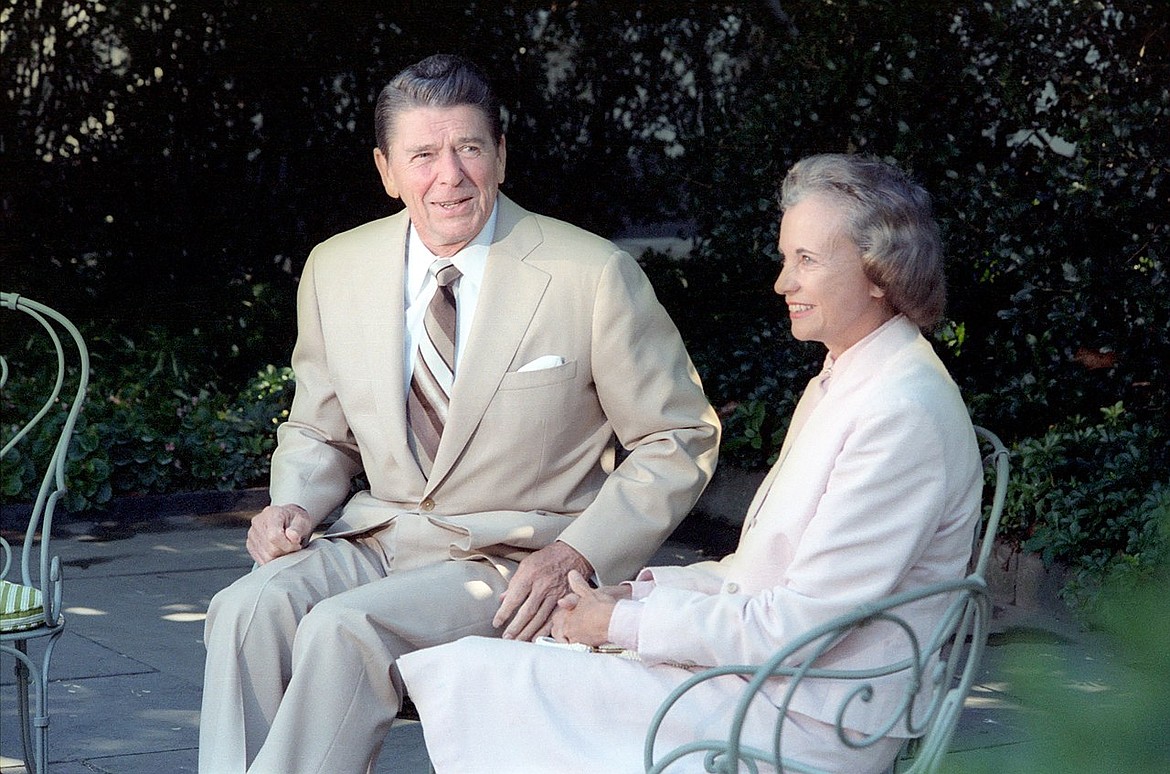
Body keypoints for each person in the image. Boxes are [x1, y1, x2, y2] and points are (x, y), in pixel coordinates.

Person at [197, 54, 720, 774]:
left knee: (344, 631)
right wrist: (291, 504)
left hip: (514, 561)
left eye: (468, 148)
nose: (450, 175)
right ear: (386, 170)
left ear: (500, 156)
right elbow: (320, 428)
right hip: (378, 537)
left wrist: (582, 552)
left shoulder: (591, 273)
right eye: (423, 155)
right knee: (246, 609)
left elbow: (677, 436)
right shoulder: (335, 266)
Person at [397, 153, 984, 773]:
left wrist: (620, 624)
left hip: (805, 721)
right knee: (496, 665)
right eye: (785, 260)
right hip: (772, 689)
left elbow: (797, 626)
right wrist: (634, 596)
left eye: (806, 260)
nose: (784, 283)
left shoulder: (899, 411)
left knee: (481, 672)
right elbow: (760, 574)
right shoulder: (854, 376)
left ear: (878, 273)